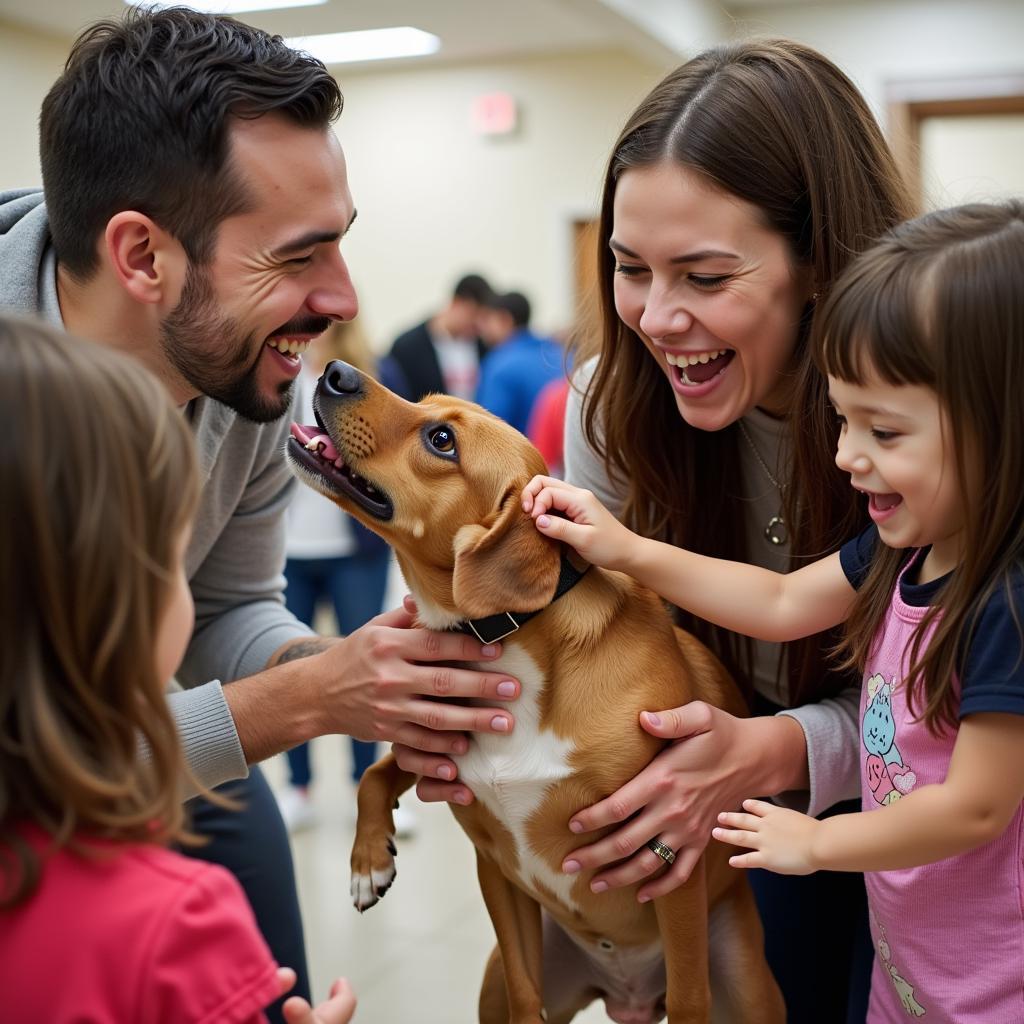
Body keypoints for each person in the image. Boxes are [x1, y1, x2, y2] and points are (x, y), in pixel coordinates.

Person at [0, 9, 521, 1018]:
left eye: (343, 245)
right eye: (297, 257)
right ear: (142, 258)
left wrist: (352, 680)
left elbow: (231, 600)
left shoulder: (242, 373)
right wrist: (305, 702)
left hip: (124, 749)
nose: (343, 297)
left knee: (243, 904)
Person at [396, 39, 916, 1022]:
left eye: (705, 276)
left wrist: (785, 747)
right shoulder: (608, 404)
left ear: (819, 262)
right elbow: (591, 643)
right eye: (630, 269)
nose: (658, 316)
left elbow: (966, 705)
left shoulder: (923, 423)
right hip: (725, 824)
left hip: (920, 819)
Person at [524, 201, 1024, 1022]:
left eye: (886, 431)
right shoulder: (905, 546)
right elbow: (785, 600)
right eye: (844, 417)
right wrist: (627, 550)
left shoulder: (1007, 601)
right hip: (909, 970)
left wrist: (819, 842)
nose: (845, 455)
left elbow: (976, 805)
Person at [0, 315, 356, 1024]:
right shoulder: (179, 927)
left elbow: (242, 603)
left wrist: (322, 671)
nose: (338, 298)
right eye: (171, 556)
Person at [278, 318, 414, 836]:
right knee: (289, 668)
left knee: (367, 664)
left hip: (355, 549)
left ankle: (370, 788)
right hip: (288, 549)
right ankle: (298, 788)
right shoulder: (274, 372)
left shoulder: (377, 375)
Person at [388, 272, 492, 402]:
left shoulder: (484, 347)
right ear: (456, 302)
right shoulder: (407, 347)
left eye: (483, 318)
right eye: (473, 315)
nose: (478, 324)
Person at [475, 290, 566, 435]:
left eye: (487, 320)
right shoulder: (561, 354)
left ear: (505, 320)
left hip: (527, 454)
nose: (481, 329)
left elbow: (488, 429)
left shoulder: (499, 363)